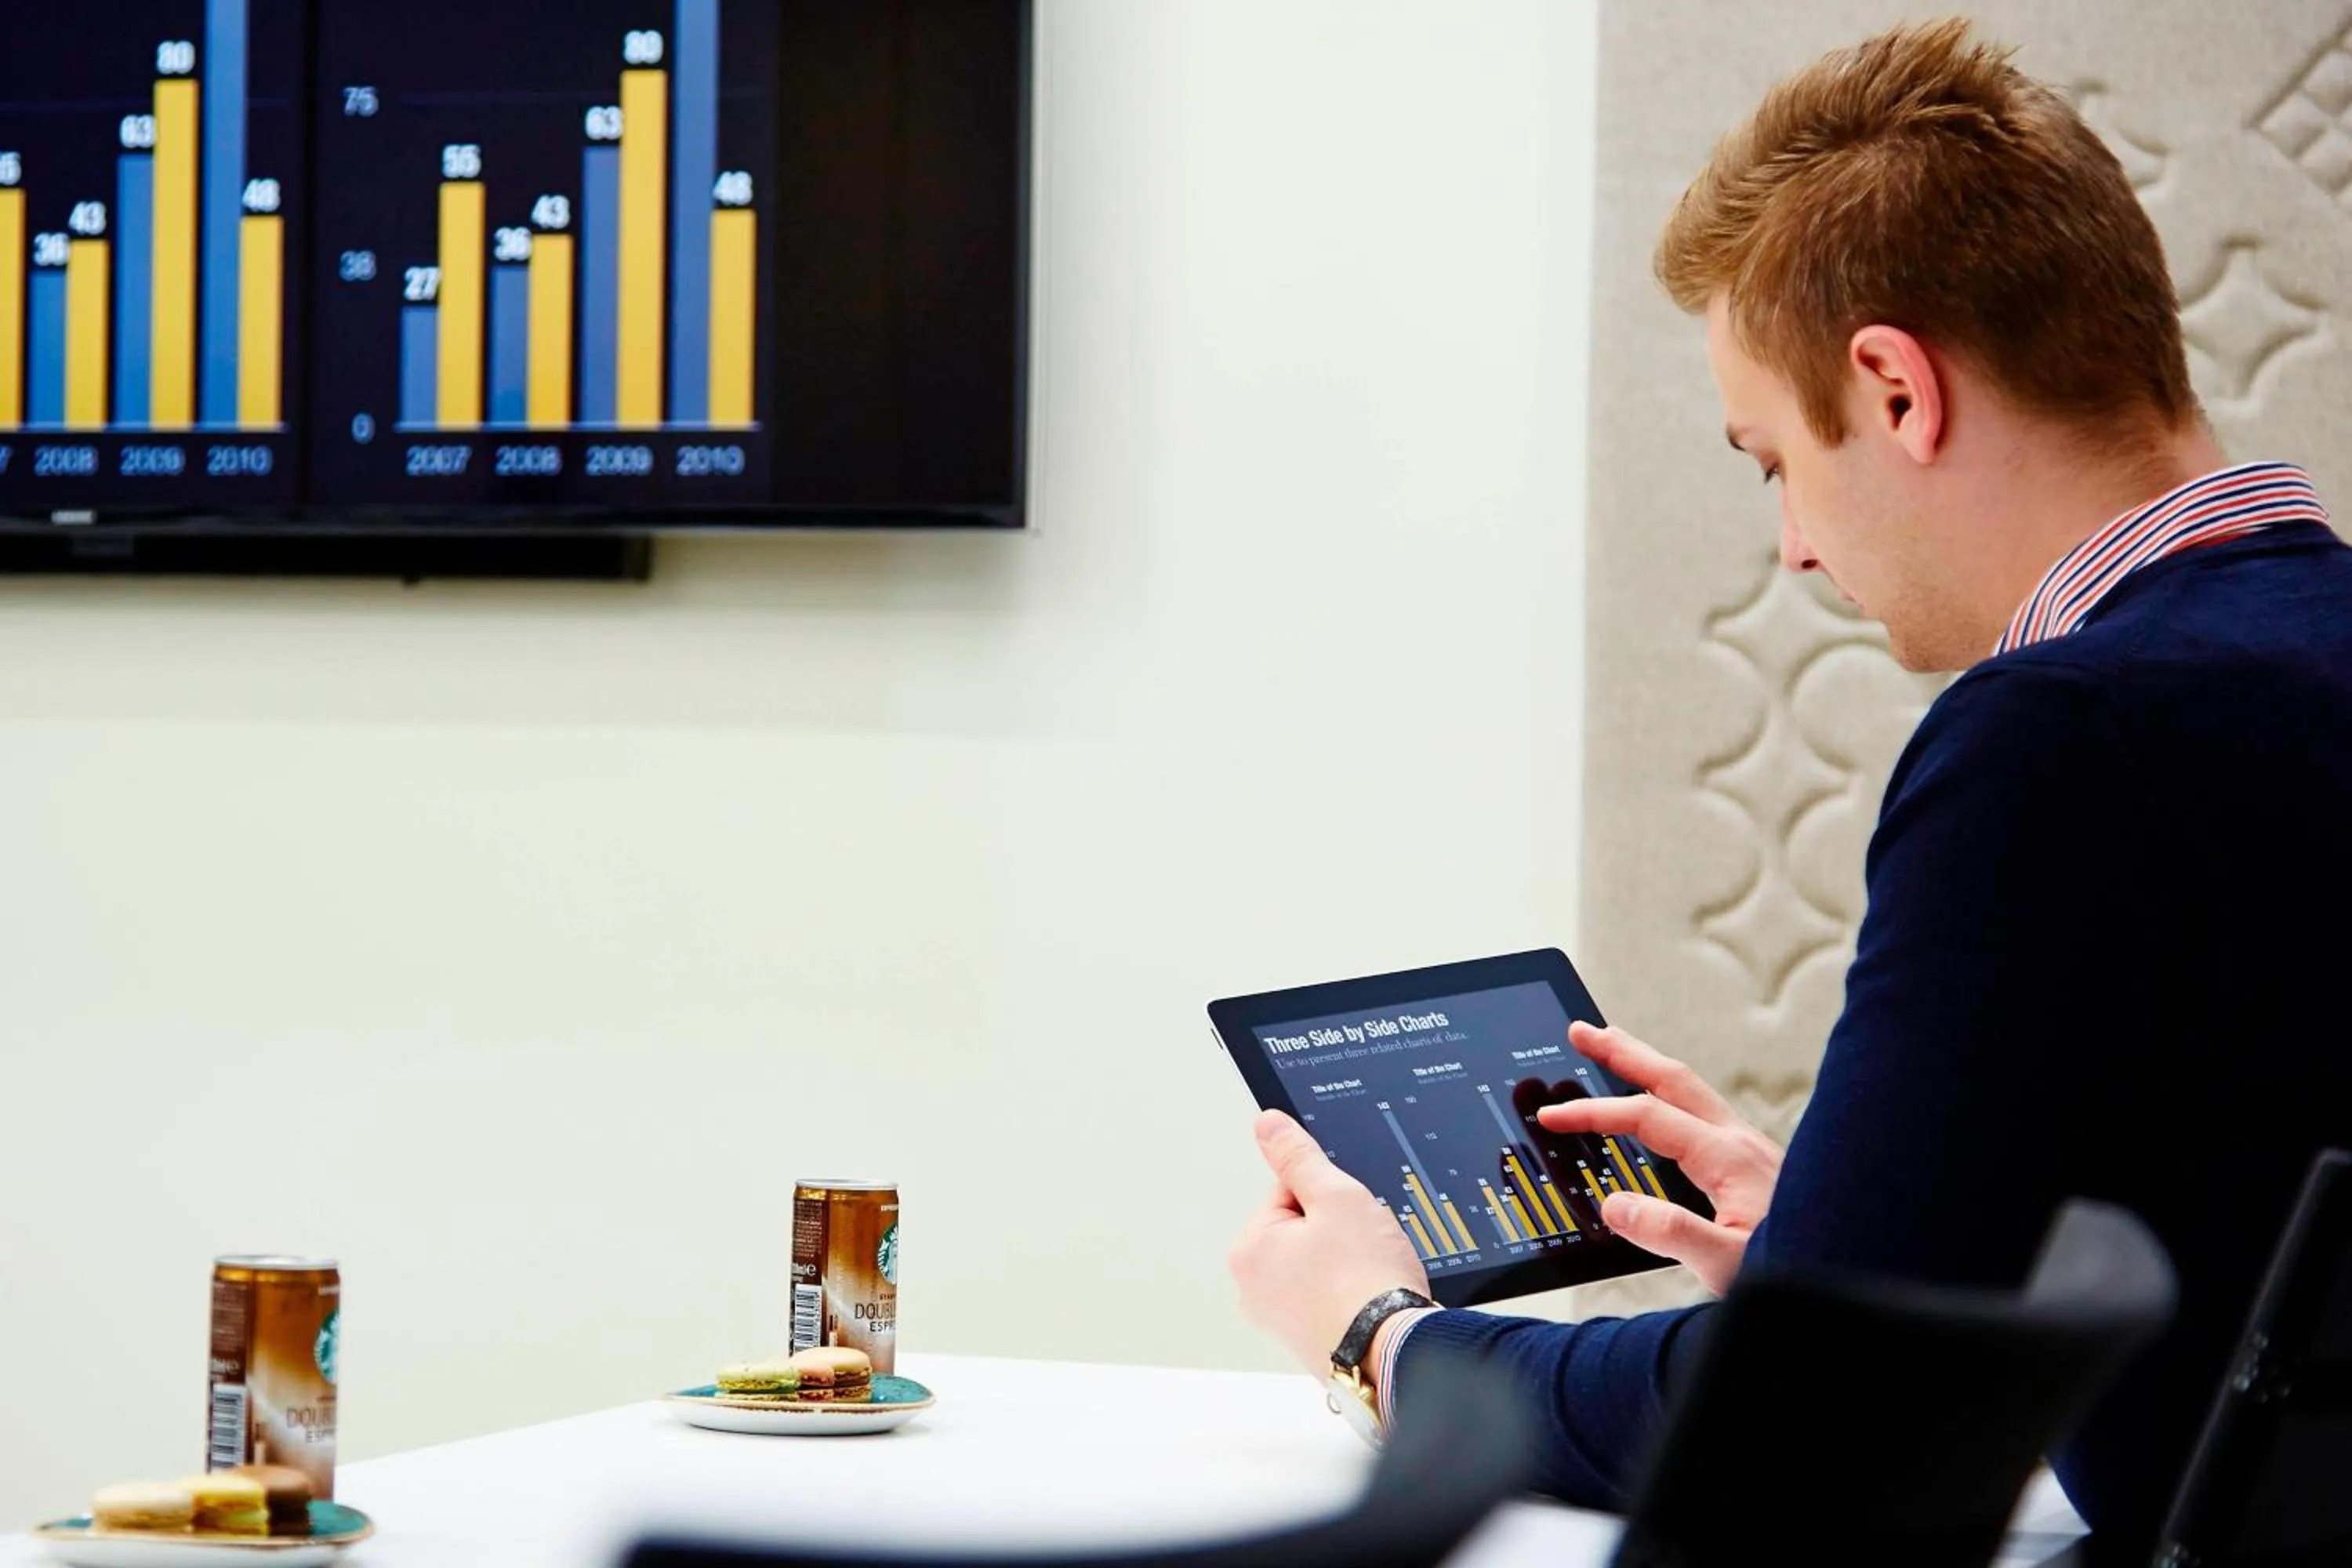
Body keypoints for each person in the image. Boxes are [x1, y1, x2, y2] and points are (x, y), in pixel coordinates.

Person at [1226, 18, 2352, 1563]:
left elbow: (1801, 1433)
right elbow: (2240, 1220)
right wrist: (1841, 1241)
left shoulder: (2063, 738)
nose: (1796, 548)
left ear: (1895, 390)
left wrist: (1384, 1335)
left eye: (1769, 461)